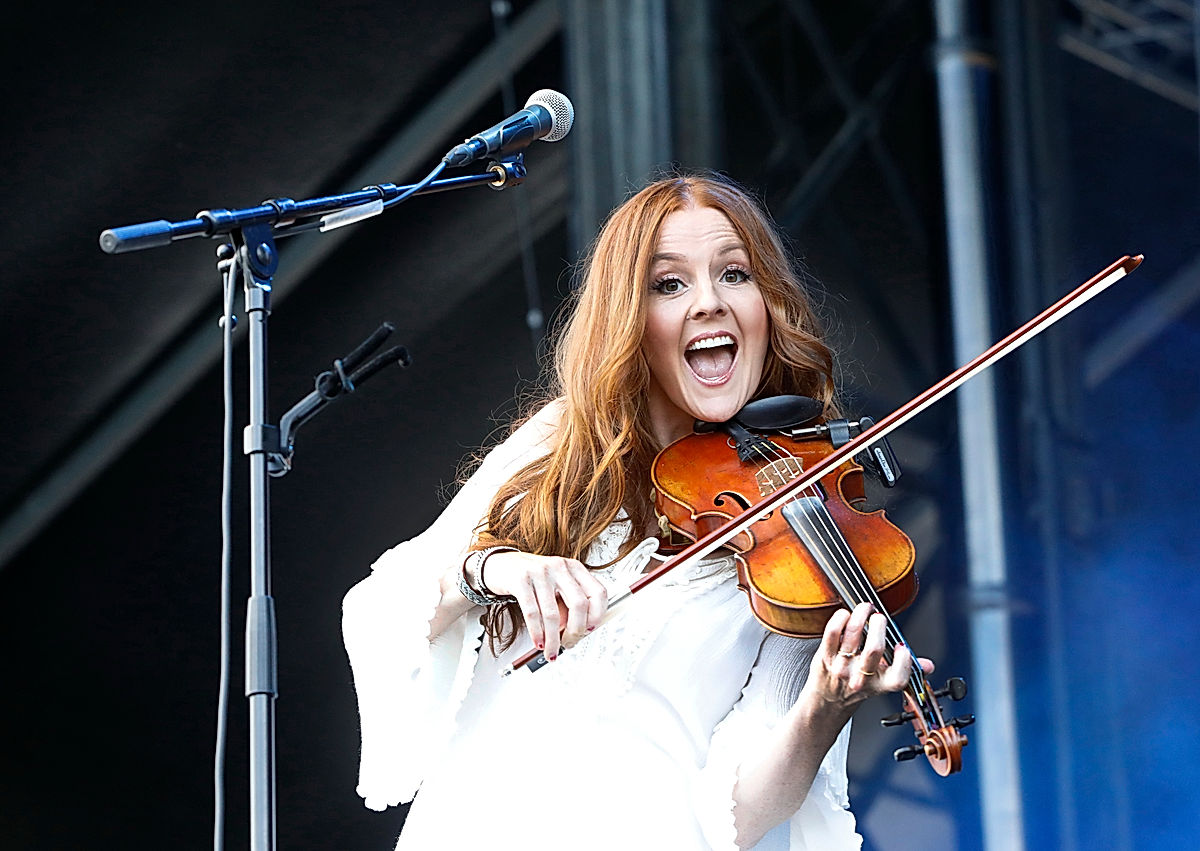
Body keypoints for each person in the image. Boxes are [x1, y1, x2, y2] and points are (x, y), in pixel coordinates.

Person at [341, 172, 931, 850]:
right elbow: (383, 606)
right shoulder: (556, 449)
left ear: (766, 305)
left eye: (734, 274)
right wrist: (493, 567)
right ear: (630, 317)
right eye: (669, 284)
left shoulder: (801, 539)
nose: (709, 302)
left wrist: (823, 708)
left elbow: (741, 808)